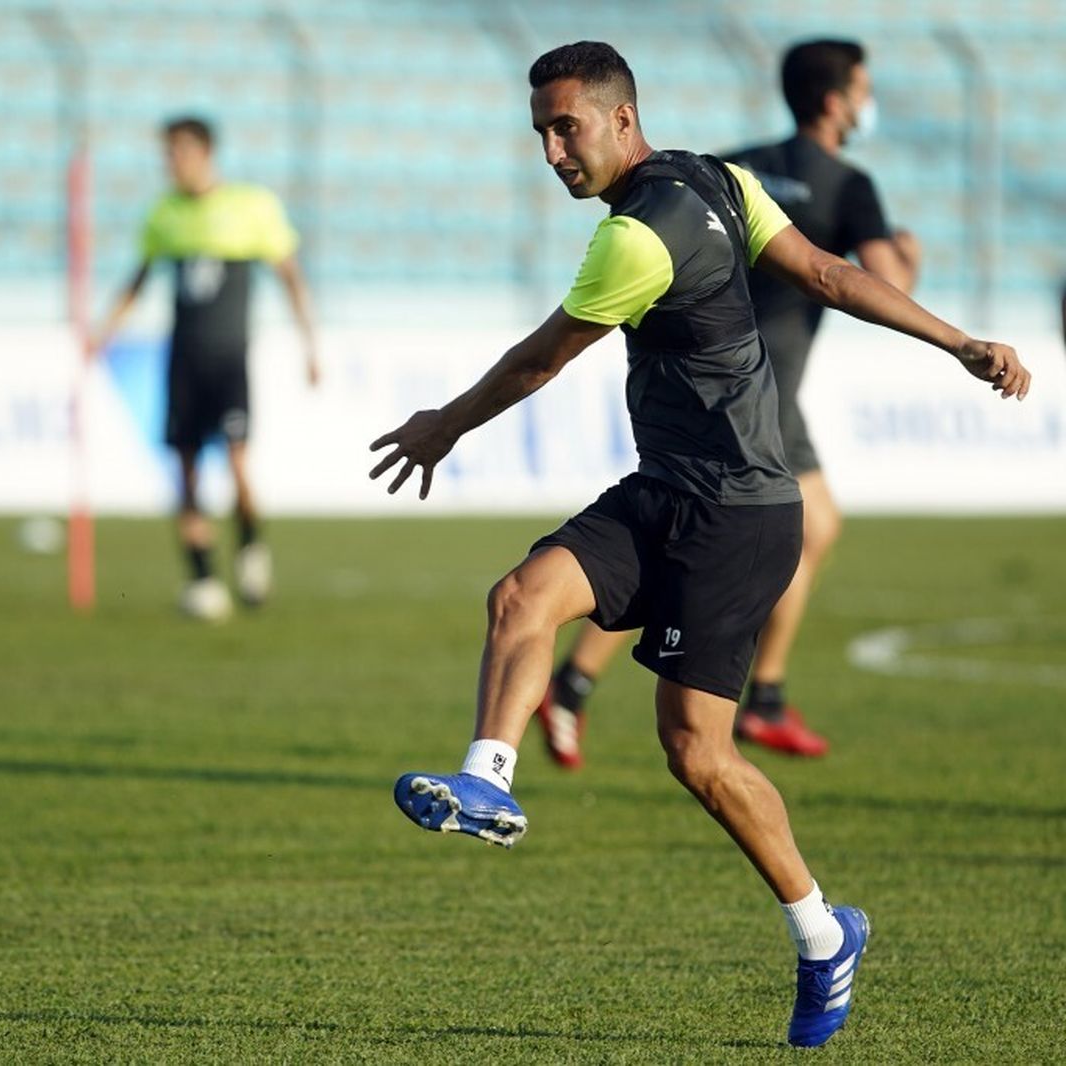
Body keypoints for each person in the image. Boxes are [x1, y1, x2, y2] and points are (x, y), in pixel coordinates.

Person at [372, 42, 1028, 1047]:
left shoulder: (635, 237)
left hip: (740, 517)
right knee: (520, 596)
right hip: (666, 490)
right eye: (541, 133)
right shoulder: (719, 181)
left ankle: (821, 934)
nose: (553, 152)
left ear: (619, 118)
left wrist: (444, 425)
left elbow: (539, 361)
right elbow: (824, 272)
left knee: (697, 753)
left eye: (566, 128)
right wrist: (960, 343)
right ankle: (487, 782)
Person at [539, 39, 922, 765]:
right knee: (732, 539)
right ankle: (745, 695)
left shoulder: (733, 165)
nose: (868, 104)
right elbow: (881, 276)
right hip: (751, 387)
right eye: (865, 90)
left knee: (761, 532)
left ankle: (587, 681)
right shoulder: (850, 184)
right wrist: (909, 250)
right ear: (839, 102)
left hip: (704, 370)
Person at [89, 116, 320, 621]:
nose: (172, 164)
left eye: (179, 153)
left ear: (206, 154)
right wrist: (104, 329)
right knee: (187, 473)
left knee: (238, 467)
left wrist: (309, 343)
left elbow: (290, 275)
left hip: (228, 359)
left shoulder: (251, 207)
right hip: (182, 361)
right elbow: (139, 279)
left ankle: (251, 548)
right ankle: (203, 580)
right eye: (167, 155)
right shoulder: (163, 215)